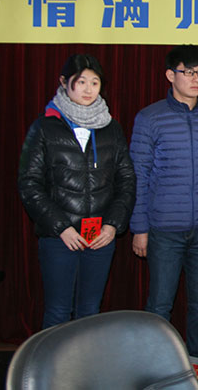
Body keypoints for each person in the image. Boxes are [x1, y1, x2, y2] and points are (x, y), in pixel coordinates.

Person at [130, 44, 198, 390]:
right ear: (170, 75)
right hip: (163, 228)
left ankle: (196, 365)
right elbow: (139, 175)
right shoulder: (150, 118)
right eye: (188, 72)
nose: (196, 79)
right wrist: (139, 227)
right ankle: (154, 369)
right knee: (160, 302)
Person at [18, 54, 136, 329]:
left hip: (100, 237)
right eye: (81, 81)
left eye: (94, 82)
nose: (88, 89)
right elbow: (29, 183)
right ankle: (53, 360)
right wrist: (61, 227)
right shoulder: (45, 127)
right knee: (58, 312)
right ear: (64, 82)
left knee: (90, 311)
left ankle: (86, 360)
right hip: (60, 237)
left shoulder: (111, 127)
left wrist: (112, 225)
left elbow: (127, 180)